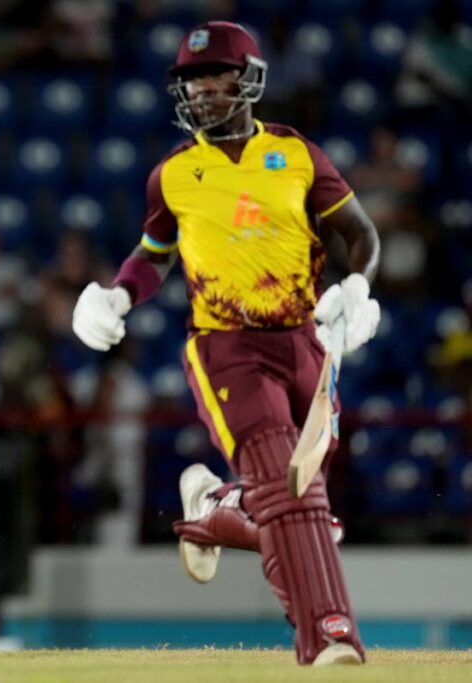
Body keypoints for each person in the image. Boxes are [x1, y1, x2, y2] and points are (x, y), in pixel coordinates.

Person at [72, 22, 381, 666]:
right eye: (192, 81)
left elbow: (360, 233)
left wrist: (357, 288)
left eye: (217, 76)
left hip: (306, 340)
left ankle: (215, 506)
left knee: (305, 511)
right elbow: (153, 256)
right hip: (226, 347)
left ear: (249, 81)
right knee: (290, 488)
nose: (205, 90)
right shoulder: (174, 175)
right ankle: (328, 633)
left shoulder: (297, 155)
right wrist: (117, 296)